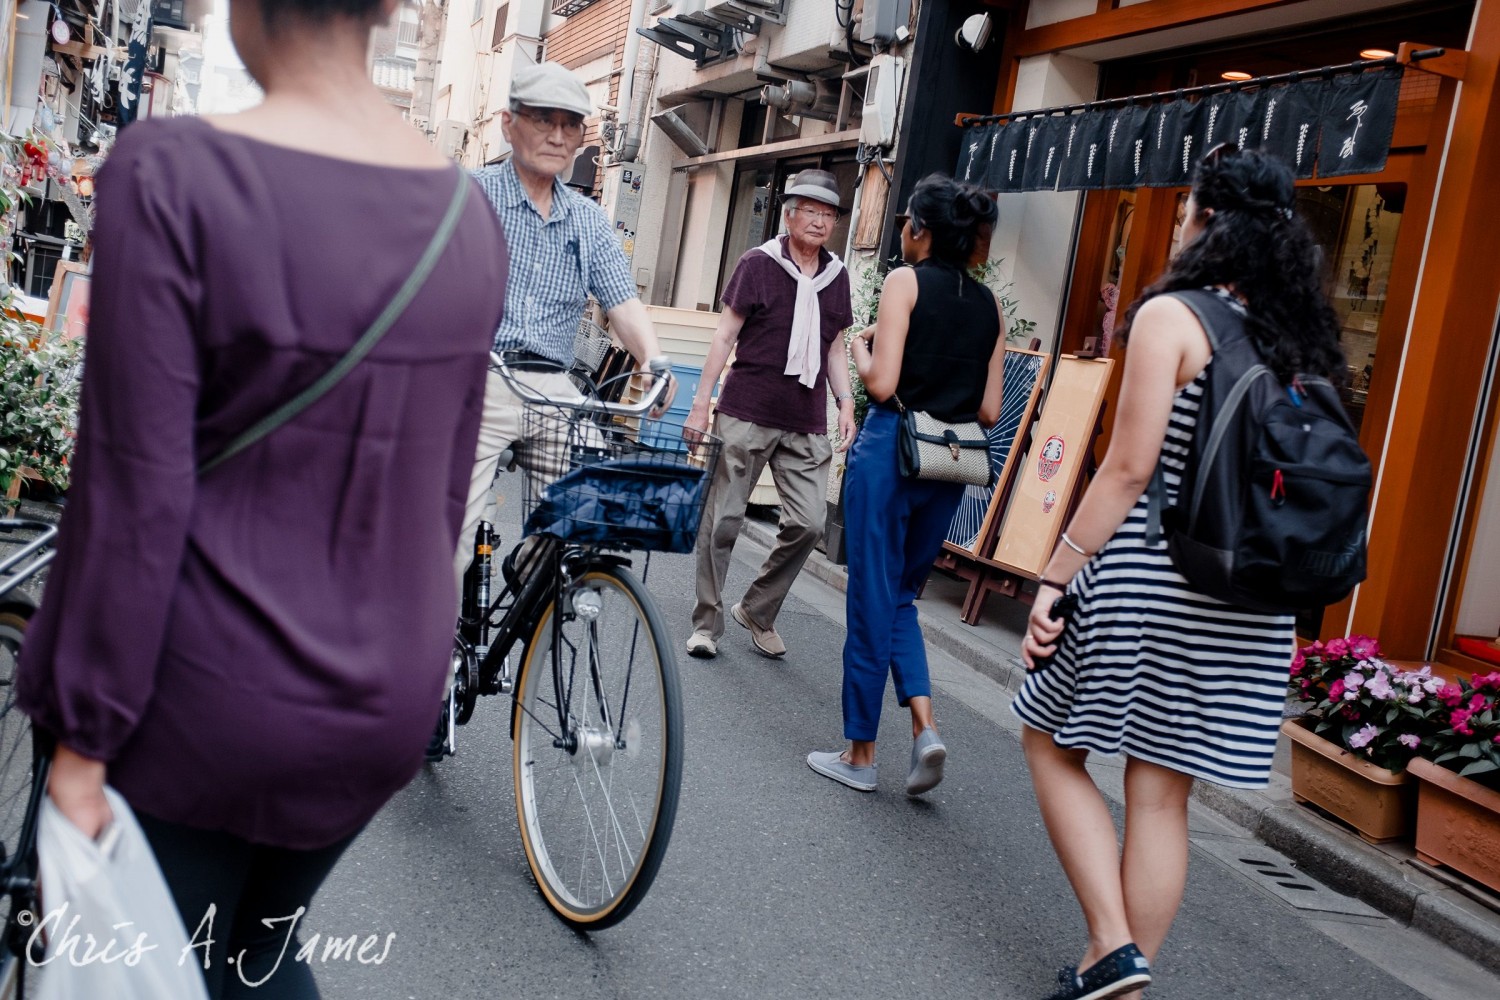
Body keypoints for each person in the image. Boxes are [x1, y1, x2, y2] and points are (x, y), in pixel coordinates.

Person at [15, 0, 508, 994]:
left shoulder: (172, 176)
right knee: (254, 953)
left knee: (148, 958)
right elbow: (443, 496)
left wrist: (83, 736)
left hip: (204, 692)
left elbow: (131, 493)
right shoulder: (470, 220)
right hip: (382, 698)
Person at [1011, 146, 1345, 1000]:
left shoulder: (1175, 316)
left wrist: (1055, 575)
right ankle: (1114, 979)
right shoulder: (1298, 333)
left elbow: (1128, 469)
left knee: (1048, 737)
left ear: (1206, 219)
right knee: (1161, 794)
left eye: (1188, 207)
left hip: (1156, 576)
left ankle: (1112, 945)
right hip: (1254, 596)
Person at [805, 174, 1005, 795]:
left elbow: (883, 385)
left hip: (891, 453)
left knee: (871, 598)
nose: (901, 232)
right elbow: (990, 411)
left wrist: (857, 346)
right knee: (899, 600)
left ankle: (860, 755)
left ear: (921, 228)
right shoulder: (989, 305)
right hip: (947, 467)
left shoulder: (904, 282)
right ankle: (925, 727)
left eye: (906, 221)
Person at [463, 61, 674, 582]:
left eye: (571, 124)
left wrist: (654, 358)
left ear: (582, 138)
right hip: (478, 378)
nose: (558, 136)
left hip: (555, 388)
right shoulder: (469, 194)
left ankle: (528, 571)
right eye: (543, 120)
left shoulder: (588, 219)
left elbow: (622, 301)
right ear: (509, 124)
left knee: (592, 513)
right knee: (447, 543)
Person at [684, 169, 858, 660]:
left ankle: (757, 609)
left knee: (810, 524)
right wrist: (701, 405)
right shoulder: (757, 264)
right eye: (811, 211)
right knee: (723, 520)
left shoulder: (837, 276)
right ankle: (706, 624)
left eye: (829, 214)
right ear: (789, 215)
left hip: (805, 418)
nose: (820, 221)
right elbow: (725, 335)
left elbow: (834, 347)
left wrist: (845, 401)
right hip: (746, 410)